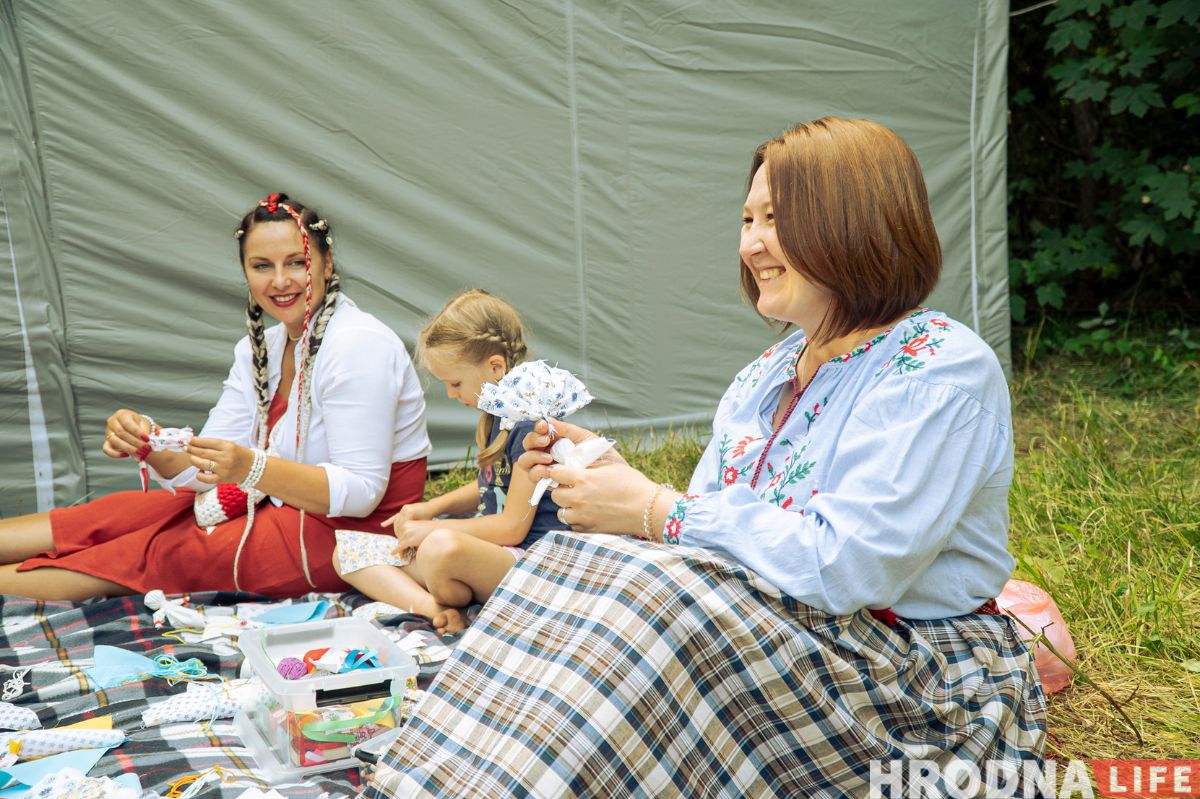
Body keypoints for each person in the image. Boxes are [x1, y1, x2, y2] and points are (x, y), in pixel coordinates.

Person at [365, 119, 1047, 798]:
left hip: (909, 676)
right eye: (747, 218)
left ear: (853, 219)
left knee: (652, 597)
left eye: (775, 218)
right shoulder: (766, 374)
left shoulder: (938, 367)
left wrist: (655, 510)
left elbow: (849, 564)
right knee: (578, 560)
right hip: (788, 639)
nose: (750, 242)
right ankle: (433, 782)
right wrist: (617, 493)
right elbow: (700, 540)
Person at [0, 193, 431, 600]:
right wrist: (149, 441)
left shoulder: (357, 344)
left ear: (326, 263)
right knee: (119, 514)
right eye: (262, 266)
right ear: (245, 271)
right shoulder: (260, 349)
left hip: (350, 538)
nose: (280, 281)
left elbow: (361, 492)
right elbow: (211, 470)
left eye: (296, 263)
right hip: (275, 503)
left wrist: (252, 468)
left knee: (164, 550)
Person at [333, 289, 560, 635]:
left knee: (440, 548)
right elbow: (492, 483)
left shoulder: (530, 426)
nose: (453, 395)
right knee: (346, 553)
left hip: (528, 562)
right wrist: (430, 508)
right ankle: (436, 610)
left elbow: (513, 526)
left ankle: (447, 590)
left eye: (455, 383)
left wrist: (436, 528)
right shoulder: (494, 417)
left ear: (495, 367)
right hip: (484, 550)